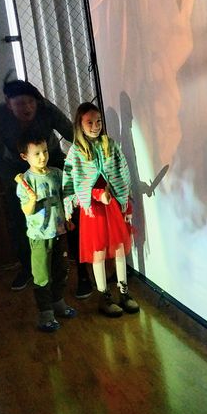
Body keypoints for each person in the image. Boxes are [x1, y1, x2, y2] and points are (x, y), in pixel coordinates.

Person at [0, 77, 94, 297]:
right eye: (20, 103)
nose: (27, 108)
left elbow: (72, 133)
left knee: (72, 216)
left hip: (52, 161)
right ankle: (28, 268)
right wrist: (18, 179)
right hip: (18, 169)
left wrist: (91, 157)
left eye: (31, 102)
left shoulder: (46, 108)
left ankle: (83, 274)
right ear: (8, 104)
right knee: (19, 222)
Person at [62, 102, 140, 317]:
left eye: (98, 122)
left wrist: (124, 200)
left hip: (112, 205)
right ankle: (104, 296)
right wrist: (94, 195)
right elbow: (73, 183)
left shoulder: (110, 145)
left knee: (119, 248)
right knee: (99, 252)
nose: (95, 126)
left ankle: (124, 292)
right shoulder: (76, 152)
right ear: (80, 124)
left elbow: (121, 172)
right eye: (90, 122)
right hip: (93, 210)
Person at [15, 131, 77, 332]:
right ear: (24, 156)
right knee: (42, 275)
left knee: (61, 270)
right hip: (39, 237)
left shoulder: (56, 174)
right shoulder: (26, 181)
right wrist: (32, 200)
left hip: (59, 232)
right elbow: (27, 210)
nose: (43, 157)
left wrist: (68, 217)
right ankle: (45, 313)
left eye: (45, 151)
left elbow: (66, 196)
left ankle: (58, 302)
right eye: (37, 154)